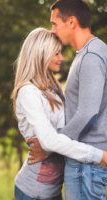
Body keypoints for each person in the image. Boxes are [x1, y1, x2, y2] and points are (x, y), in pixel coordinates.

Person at [11, 27, 107, 200]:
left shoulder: (51, 89)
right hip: (33, 193)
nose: (61, 58)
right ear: (40, 54)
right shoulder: (28, 92)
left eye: (60, 52)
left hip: (53, 191)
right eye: (56, 53)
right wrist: (99, 156)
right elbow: (51, 141)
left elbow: (67, 128)